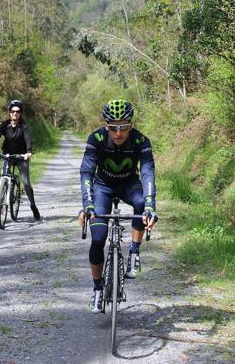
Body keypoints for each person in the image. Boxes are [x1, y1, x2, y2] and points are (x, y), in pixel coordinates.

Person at [78, 99, 157, 313]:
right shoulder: (97, 138)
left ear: (131, 125)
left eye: (123, 126)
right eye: (113, 127)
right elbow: (87, 171)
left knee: (141, 203)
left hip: (128, 185)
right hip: (102, 187)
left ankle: (134, 252)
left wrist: (150, 205)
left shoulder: (141, 141)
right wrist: (88, 204)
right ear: (106, 126)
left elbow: (148, 172)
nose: (119, 133)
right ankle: (96, 289)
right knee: (98, 239)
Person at [0, 99, 41, 221]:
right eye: (13, 111)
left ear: (21, 113)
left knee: (25, 182)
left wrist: (28, 152)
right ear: (9, 112)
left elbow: (28, 139)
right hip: (7, 155)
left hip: (21, 156)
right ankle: (0, 203)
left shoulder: (24, 126)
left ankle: (33, 205)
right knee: (4, 177)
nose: (15, 114)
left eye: (18, 111)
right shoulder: (4, 125)